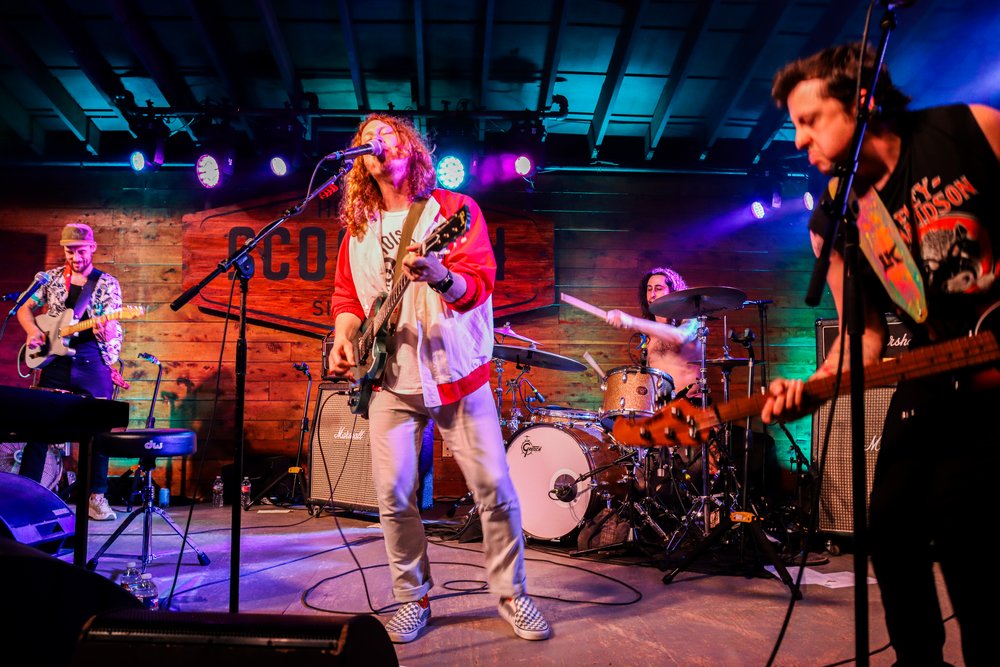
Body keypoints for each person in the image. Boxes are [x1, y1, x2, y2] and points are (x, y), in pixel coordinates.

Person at [762, 42, 1000, 665]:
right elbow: (861, 336)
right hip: (933, 370)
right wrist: (809, 389)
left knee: (968, 536)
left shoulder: (973, 129)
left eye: (807, 120)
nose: (795, 139)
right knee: (889, 527)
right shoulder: (840, 216)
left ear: (861, 104)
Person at [327, 114, 550, 644]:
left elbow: (479, 284)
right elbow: (349, 300)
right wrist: (343, 338)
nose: (377, 144)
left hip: (454, 374)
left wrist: (441, 275)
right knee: (393, 496)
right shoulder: (357, 228)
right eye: (366, 141)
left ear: (411, 147)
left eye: (389, 134)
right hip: (387, 381)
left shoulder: (453, 211)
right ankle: (412, 598)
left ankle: (514, 595)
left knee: (495, 490)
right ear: (359, 160)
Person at [16, 222, 130, 521]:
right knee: (37, 428)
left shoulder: (106, 283)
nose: (75, 257)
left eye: (81, 250)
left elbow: (112, 325)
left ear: (92, 247)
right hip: (55, 361)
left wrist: (107, 331)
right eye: (70, 251)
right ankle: (26, 495)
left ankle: (96, 496)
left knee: (99, 428)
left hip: (91, 360)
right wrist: (32, 332)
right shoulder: (51, 279)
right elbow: (24, 309)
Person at [605, 266, 702, 395]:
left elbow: (680, 337)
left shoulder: (692, 319)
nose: (652, 295)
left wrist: (630, 321)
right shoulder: (648, 334)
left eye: (658, 288)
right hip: (660, 409)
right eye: (649, 289)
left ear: (673, 292)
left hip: (690, 406)